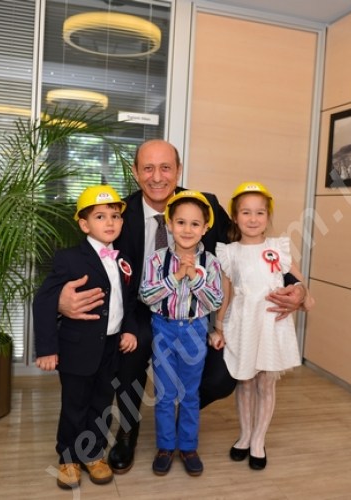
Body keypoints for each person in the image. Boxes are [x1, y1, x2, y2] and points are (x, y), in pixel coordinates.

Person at [57, 139, 308, 474]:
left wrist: (297, 287)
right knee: (132, 347)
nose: (157, 176)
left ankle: (180, 416)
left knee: (222, 377)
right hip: (140, 307)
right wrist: (61, 298)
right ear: (135, 172)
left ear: (178, 171)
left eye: (165, 168)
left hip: (196, 313)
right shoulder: (120, 213)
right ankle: (128, 429)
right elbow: (86, 257)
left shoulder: (204, 206)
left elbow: (249, 245)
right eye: (148, 168)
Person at [32, 185, 139, 490]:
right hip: (77, 348)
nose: (110, 222)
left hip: (111, 347)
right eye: (100, 216)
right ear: (84, 224)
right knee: (75, 405)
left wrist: (129, 329)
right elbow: (44, 300)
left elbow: (128, 301)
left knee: (102, 403)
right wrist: (47, 348)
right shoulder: (69, 259)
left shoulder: (124, 259)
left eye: (115, 216)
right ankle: (68, 457)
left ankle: (93, 453)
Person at [212, 181, 313, 471]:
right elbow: (226, 294)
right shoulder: (229, 252)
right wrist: (219, 328)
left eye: (260, 212)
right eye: (246, 212)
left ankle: (259, 440)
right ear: (234, 217)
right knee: (245, 382)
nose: (253, 219)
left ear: (268, 216)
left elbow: (300, 283)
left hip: (271, 324)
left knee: (266, 383)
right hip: (242, 324)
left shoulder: (277, 248)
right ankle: (244, 435)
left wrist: (303, 294)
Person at [139, 191, 223, 477]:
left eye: (195, 224)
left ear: (205, 228)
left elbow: (215, 301)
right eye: (181, 222)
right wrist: (175, 277)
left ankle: (188, 446)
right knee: (164, 393)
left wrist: (194, 278)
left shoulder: (211, 263)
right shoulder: (156, 259)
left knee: (189, 393)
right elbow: (147, 296)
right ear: (169, 224)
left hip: (195, 330)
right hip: (163, 328)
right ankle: (165, 447)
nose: (187, 230)